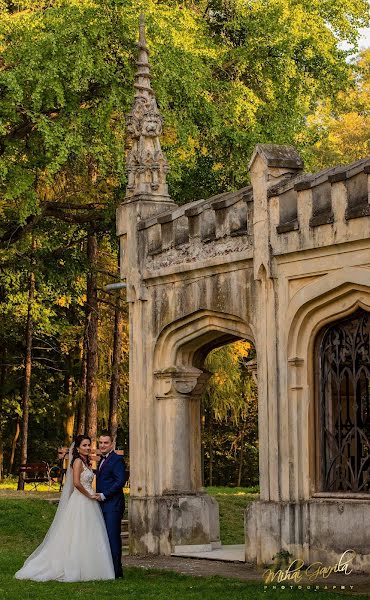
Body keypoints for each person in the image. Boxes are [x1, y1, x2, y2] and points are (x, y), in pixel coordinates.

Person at [15, 435, 115, 582]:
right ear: (77, 448)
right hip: (81, 500)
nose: (87, 448)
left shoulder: (86, 462)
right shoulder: (77, 462)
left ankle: (91, 566)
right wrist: (89, 495)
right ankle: (74, 566)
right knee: (77, 533)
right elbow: (76, 483)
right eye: (84, 445)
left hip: (89, 501)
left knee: (89, 532)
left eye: (89, 445)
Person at [96, 432, 126, 579]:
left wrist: (104, 495)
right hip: (102, 505)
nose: (102, 445)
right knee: (104, 537)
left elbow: (120, 481)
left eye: (105, 443)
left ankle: (116, 572)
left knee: (113, 537)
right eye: (100, 443)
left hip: (113, 505)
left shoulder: (117, 460)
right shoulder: (101, 460)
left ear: (112, 444)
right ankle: (106, 569)